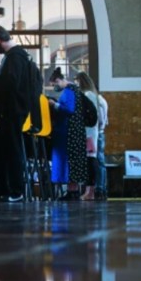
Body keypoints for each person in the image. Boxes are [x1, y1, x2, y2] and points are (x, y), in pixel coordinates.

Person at [0, 24, 39, 202]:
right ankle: (1, 190)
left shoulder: (14, 57)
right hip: (15, 109)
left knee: (11, 151)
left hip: (12, 110)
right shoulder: (22, 56)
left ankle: (15, 191)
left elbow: (10, 84)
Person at [47, 68, 88, 199]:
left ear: (59, 80)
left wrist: (54, 105)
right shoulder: (73, 90)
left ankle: (72, 191)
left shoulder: (70, 91)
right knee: (72, 161)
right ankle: (72, 190)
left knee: (69, 161)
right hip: (73, 131)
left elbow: (69, 109)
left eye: (54, 84)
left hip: (69, 132)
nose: (54, 87)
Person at [75, 71, 99, 200]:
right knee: (90, 159)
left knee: (90, 160)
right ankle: (89, 191)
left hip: (88, 132)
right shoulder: (92, 94)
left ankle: (90, 191)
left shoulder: (88, 95)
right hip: (90, 131)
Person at [96, 92, 109, 199]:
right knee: (100, 162)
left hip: (97, 134)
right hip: (101, 133)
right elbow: (105, 121)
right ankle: (102, 188)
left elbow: (100, 120)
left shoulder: (98, 101)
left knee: (99, 162)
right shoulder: (102, 100)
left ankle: (100, 188)